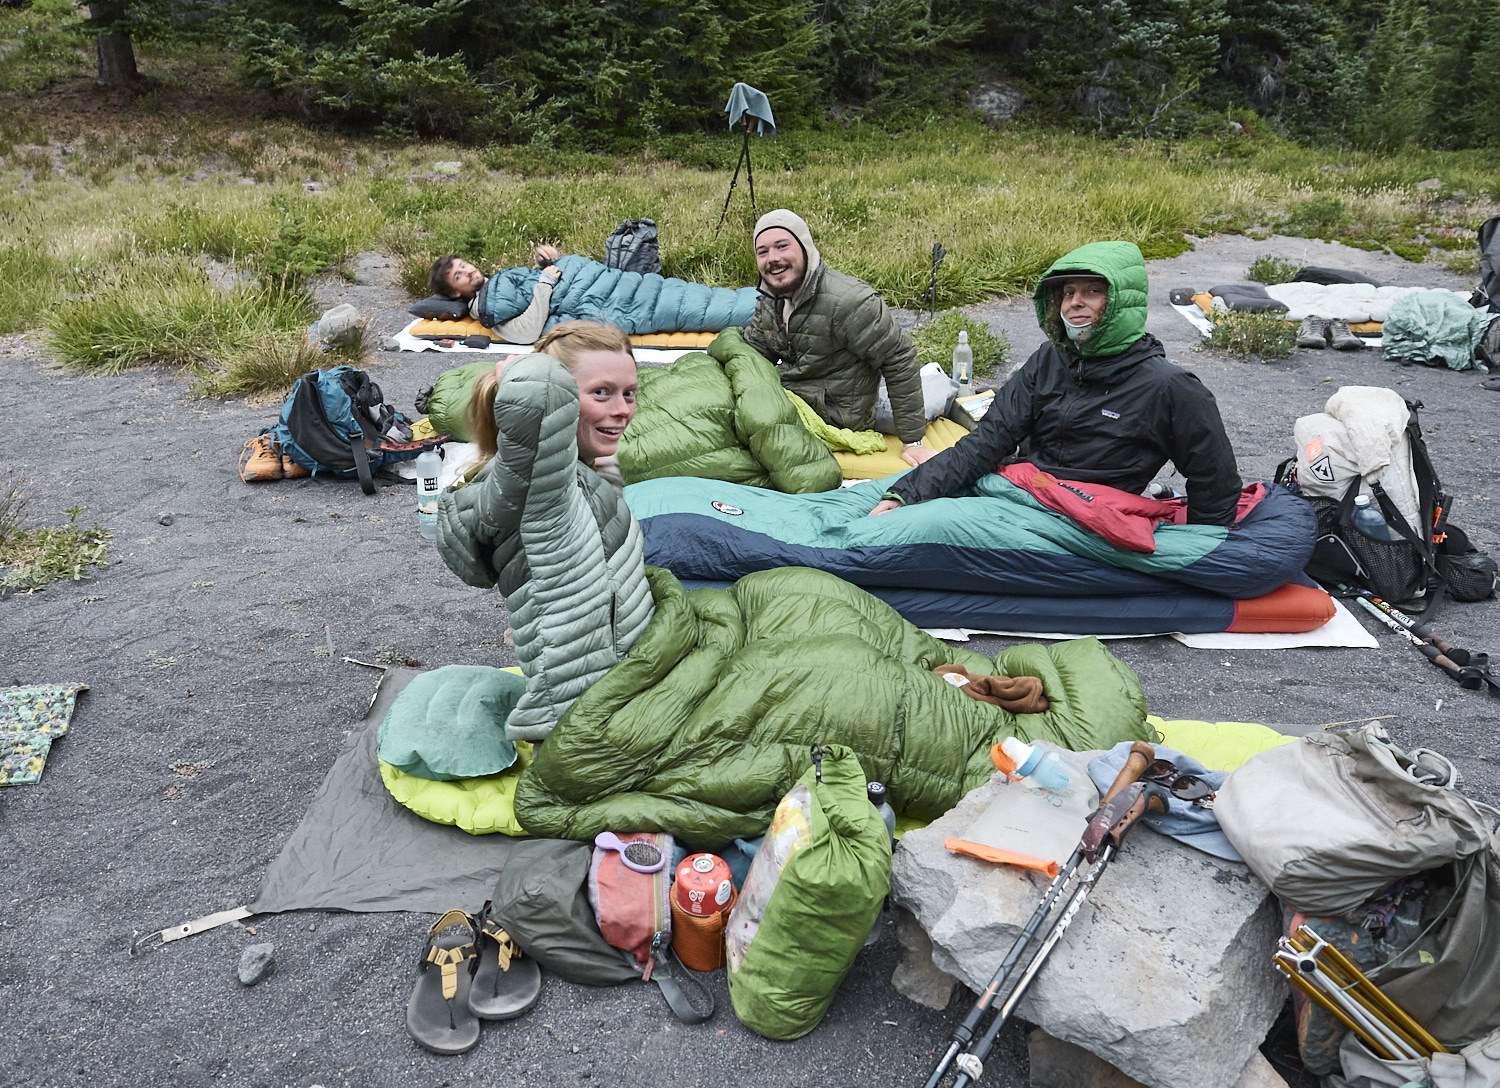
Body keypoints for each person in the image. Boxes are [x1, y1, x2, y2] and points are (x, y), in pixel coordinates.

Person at [870, 241, 1242, 525]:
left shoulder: (1171, 387)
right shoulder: (1049, 361)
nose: (1074, 303)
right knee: (891, 505)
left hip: (1093, 518)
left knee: (937, 531)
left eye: (1092, 292)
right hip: (1028, 495)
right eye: (1067, 293)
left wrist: (1201, 555)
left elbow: (1216, 483)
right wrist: (907, 494)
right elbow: (987, 442)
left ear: (1120, 302)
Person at [741, 210, 934, 467]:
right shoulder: (770, 300)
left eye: (782, 246)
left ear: (805, 247)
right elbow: (750, 357)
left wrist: (914, 442)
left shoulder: (850, 302)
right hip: (791, 400)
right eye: (762, 252)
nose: (772, 258)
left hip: (835, 417)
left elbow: (898, 357)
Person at [464, 320, 636, 488]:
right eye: (600, 392)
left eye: (629, 393)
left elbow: (606, 504)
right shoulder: (519, 490)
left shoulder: (579, 470)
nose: (623, 410)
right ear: (548, 396)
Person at [431, 246, 563, 344]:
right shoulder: (484, 307)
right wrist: (545, 283)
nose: (468, 272)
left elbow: (524, 291)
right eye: (458, 276)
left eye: (464, 265)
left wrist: (543, 265)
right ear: (454, 292)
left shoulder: (495, 283)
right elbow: (527, 333)